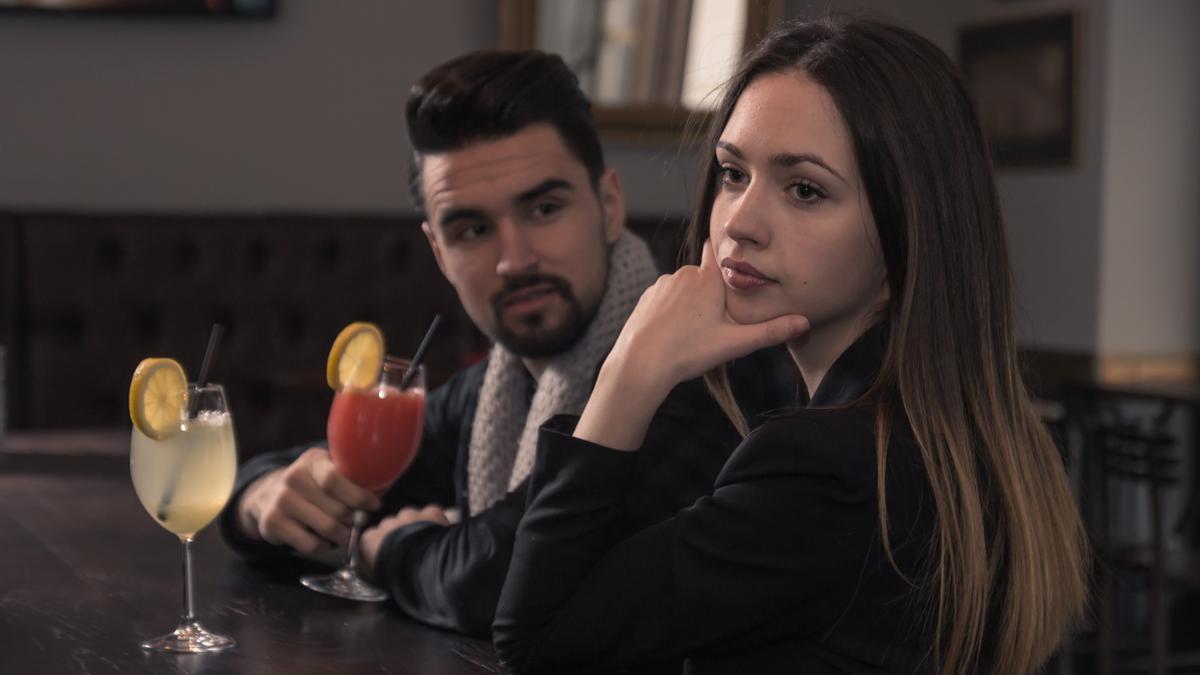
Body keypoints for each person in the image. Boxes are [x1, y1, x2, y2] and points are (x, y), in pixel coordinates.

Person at [493, 16, 1089, 675]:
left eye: (804, 189)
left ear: (905, 233)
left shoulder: (830, 466)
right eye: (731, 173)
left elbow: (536, 638)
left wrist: (629, 370)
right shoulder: (953, 437)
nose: (740, 223)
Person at [219, 49, 794, 637]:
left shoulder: (690, 373)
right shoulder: (491, 390)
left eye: (544, 208)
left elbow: (505, 575)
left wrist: (388, 551)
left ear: (609, 204)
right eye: (472, 230)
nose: (515, 259)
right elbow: (330, 479)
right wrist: (261, 499)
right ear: (439, 252)